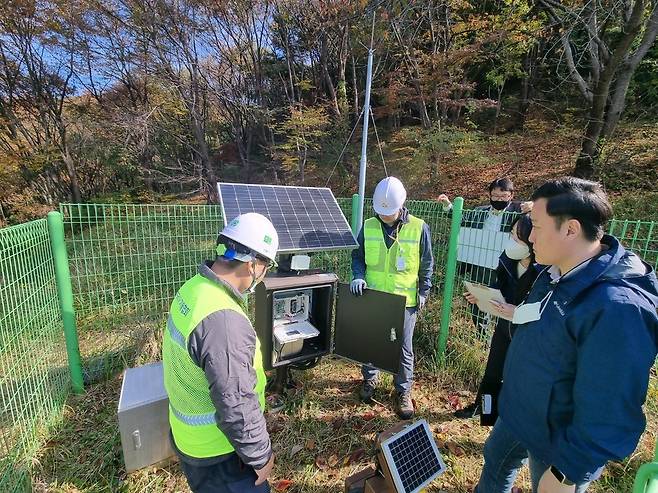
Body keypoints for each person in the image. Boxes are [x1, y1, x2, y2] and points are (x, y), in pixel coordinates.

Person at [474, 177, 658, 493]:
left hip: (556, 441)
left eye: (536, 226)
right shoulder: (555, 270)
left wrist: (568, 473)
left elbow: (611, 407)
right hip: (518, 410)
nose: (529, 237)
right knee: (496, 466)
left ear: (570, 229)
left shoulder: (616, 309)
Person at [162, 212, 279, 493]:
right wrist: (260, 456)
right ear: (253, 266)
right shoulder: (223, 321)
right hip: (220, 453)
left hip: (190, 439)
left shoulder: (194, 289)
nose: (264, 276)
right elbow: (235, 402)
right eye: (266, 267)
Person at [350, 176, 434, 420]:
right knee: (372, 341)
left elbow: (427, 263)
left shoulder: (419, 227)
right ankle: (370, 380)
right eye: (381, 212)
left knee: (402, 348)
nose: (385, 216)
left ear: (401, 205)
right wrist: (358, 276)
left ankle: (403, 392)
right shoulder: (368, 225)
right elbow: (358, 256)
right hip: (374, 296)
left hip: (404, 300)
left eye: (389, 212)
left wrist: (423, 291)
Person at [454, 214, 540, 420]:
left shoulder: (545, 270)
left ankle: (511, 419)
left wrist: (518, 311)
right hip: (504, 327)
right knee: (492, 373)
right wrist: (481, 295)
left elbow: (544, 307)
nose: (512, 241)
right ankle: (485, 411)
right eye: (511, 234)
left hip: (528, 333)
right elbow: (499, 285)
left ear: (533, 239)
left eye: (518, 237)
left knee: (517, 378)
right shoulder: (508, 259)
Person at [438, 178, 532, 335]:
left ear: (511, 195)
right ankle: (483, 336)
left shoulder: (519, 211)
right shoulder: (480, 211)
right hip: (480, 263)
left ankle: (505, 334)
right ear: (489, 195)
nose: (499, 199)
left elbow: (538, 217)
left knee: (504, 301)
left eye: (503, 196)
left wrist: (533, 206)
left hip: (506, 266)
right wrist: (448, 206)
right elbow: (462, 221)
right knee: (478, 300)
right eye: (495, 196)